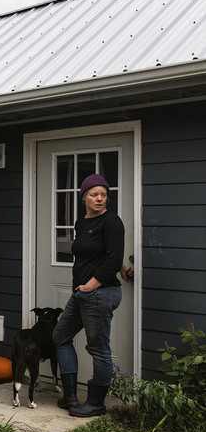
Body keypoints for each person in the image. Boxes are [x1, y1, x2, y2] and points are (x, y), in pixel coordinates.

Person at [52, 173, 124, 417]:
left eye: (103, 194)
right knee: (61, 335)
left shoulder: (111, 221)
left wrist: (91, 285)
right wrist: (122, 266)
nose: (100, 198)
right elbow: (97, 252)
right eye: (94, 194)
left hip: (100, 292)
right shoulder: (82, 222)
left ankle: (96, 403)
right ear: (83, 197)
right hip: (83, 292)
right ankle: (71, 396)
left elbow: (112, 257)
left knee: (98, 348)